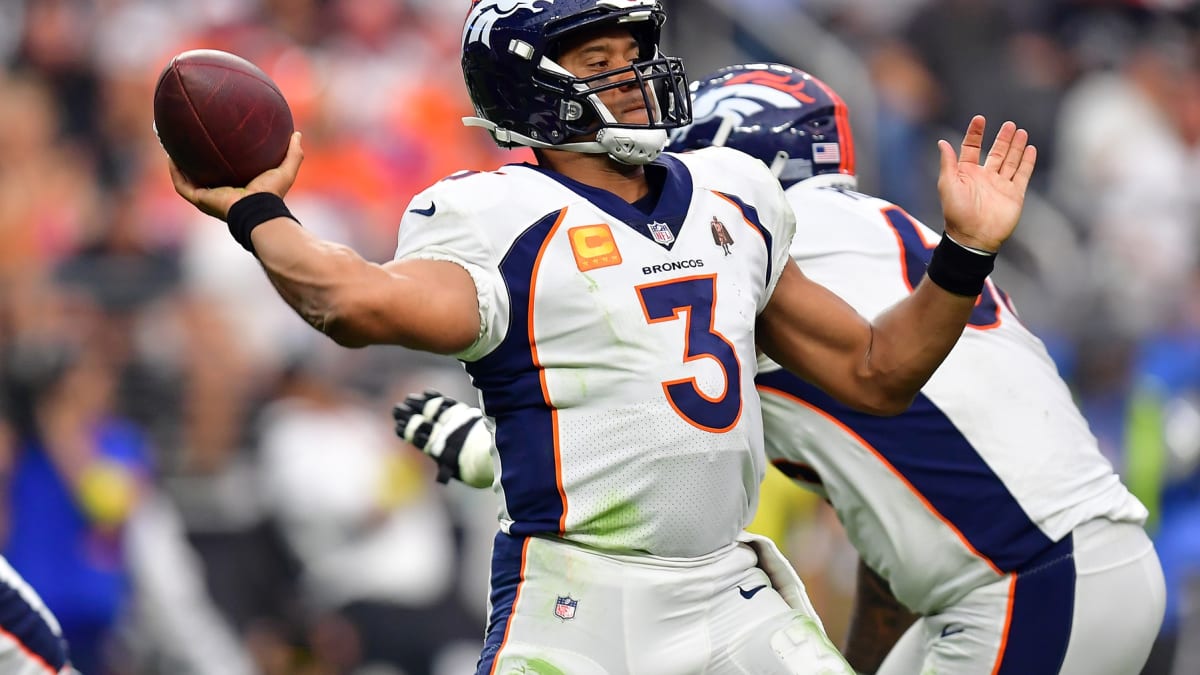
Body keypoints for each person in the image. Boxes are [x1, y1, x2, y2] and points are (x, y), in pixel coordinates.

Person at [166, 0, 1036, 670]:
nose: (633, 75)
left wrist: (964, 254)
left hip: (727, 586)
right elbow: (351, 304)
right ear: (531, 88)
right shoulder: (495, 214)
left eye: (633, 55)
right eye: (599, 60)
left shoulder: (732, 191)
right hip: (582, 598)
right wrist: (255, 209)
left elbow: (878, 371)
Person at [391, 61, 1162, 675]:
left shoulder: (736, 246)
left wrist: (487, 452)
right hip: (1070, 565)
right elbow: (902, 518)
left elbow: (631, 442)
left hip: (1025, 581)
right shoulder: (886, 228)